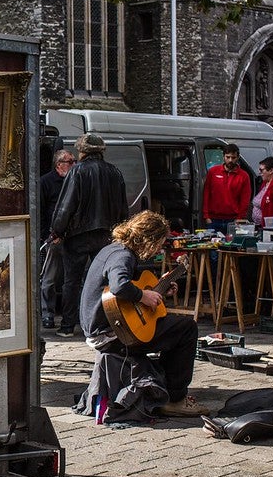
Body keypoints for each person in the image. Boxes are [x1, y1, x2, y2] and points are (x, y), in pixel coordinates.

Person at [78, 210, 209, 418]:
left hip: (106, 327)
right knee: (186, 329)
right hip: (111, 334)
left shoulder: (112, 249)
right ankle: (175, 398)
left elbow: (126, 293)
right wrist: (143, 296)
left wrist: (158, 290)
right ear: (149, 239)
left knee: (171, 326)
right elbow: (120, 286)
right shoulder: (123, 255)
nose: (158, 249)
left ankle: (162, 387)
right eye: (159, 243)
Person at [50, 134, 128, 337]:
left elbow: (66, 206)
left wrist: (57, 230)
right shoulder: (115, 172)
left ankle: (68, 326)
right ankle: (107, 323)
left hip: (78, 237)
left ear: (82, 151)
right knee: (104, 281)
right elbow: (122, 208)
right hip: (107, 236)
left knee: (71, 282)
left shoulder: (77, 171)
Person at [39, 149, 76, 329]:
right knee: (49, 278)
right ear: (59, 164)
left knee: (72, 277)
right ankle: (48, 314)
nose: (74, 164)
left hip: (72, 236)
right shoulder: (46, 182)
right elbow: (40, 211)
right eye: (70, 161)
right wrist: (46, 236)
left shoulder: (75, 180)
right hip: (53, 236)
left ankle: (72, 315)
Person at [202, 143, 251, 235]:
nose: (230, 160)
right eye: (228, 157)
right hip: (213, 219)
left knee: (232, 247)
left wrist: (240, 218)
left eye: (233, 157)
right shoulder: (213, 172)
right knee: (212, 246)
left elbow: (245, 200)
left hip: (233, 219)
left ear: (238, 157)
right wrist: (206, 216)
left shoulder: (244, 176)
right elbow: (206, 194)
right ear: (223, 157)